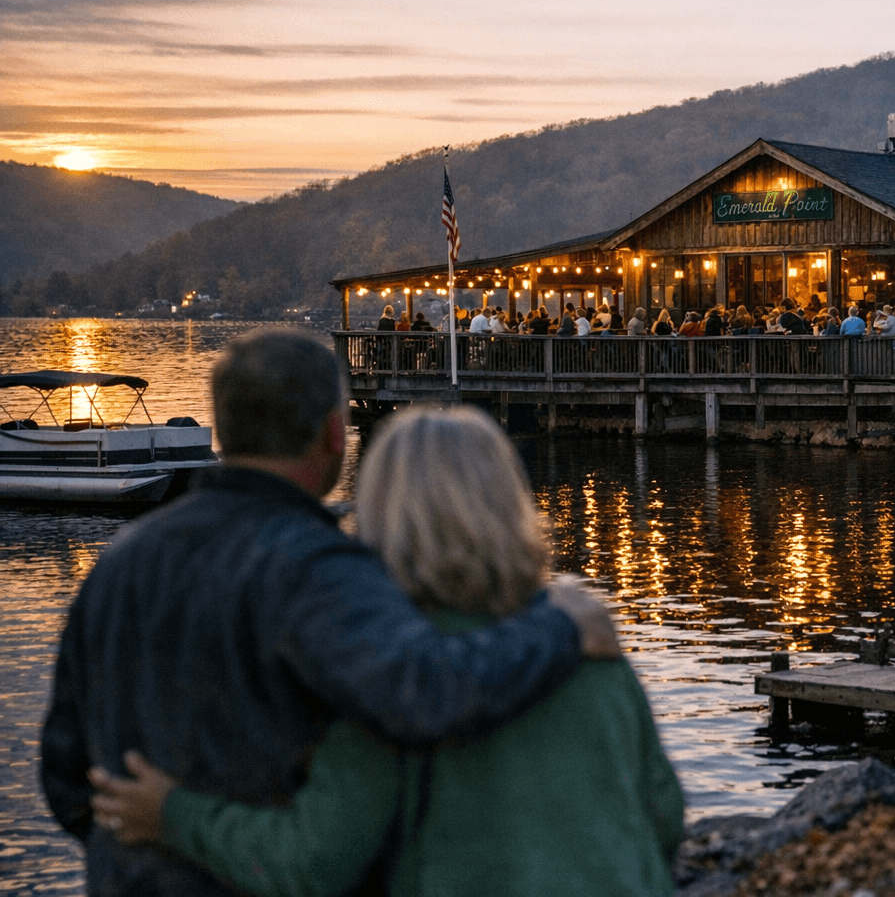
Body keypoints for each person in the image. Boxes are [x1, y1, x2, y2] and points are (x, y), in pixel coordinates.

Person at [40, 328, 618, 895]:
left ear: (224, 429)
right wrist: (560, 625)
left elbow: (64, 777)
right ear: (334, 434)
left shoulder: (117, 565)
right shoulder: (317, 568)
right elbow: (423, 692)